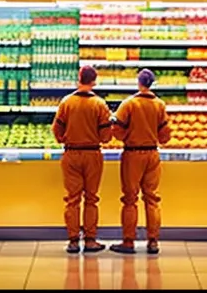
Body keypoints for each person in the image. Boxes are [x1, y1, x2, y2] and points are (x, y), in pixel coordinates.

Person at [110, 69, 171, 255]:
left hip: (133, 154)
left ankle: (128, 241)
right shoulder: (160, 105)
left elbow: (116, 131)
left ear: (139, 83)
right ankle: (153, 241)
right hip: (153, 154)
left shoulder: (129, 104)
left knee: (130, 199)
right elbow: (165, 136)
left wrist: (130, 135)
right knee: (152, 198)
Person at [52, 66, 112, 254]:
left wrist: (66, 139)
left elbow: (57, 130)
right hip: (92, 155)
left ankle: (73, 241)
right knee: (91, 199)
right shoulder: (99, 104)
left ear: (79, 79)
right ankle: (90, 239)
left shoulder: (66, 102)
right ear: (94, 81)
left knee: (72, 199)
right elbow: (106, 137)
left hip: (71, 154)